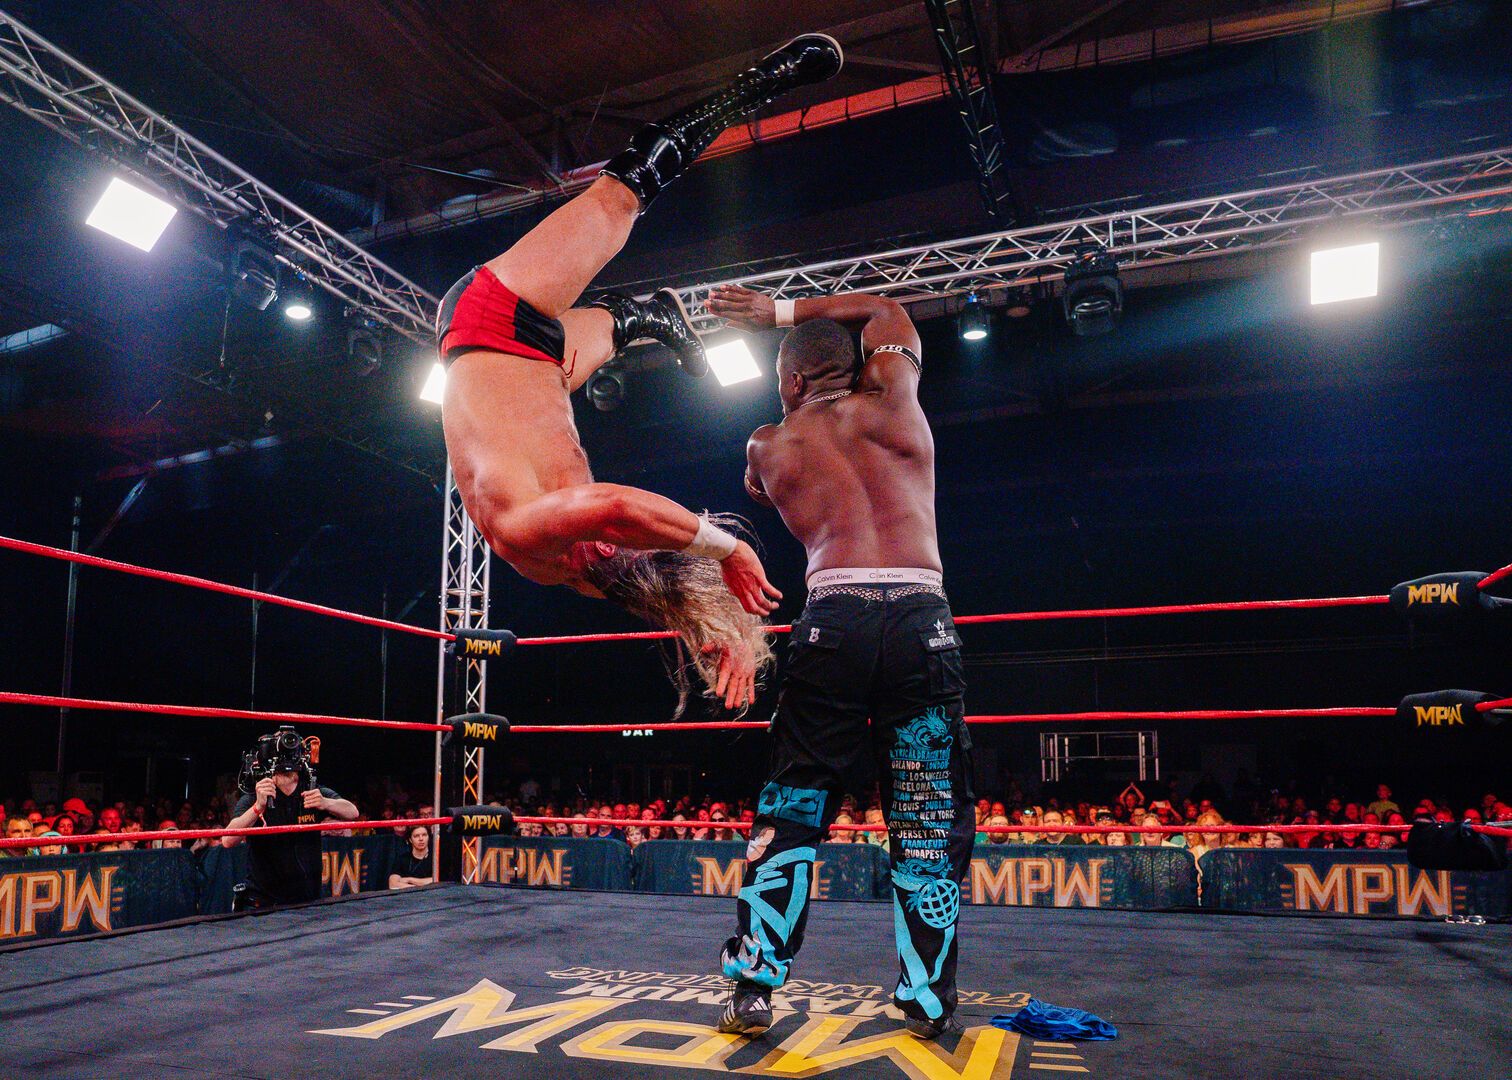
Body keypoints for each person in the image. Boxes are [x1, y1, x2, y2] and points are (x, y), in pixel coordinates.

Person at [435, 36, 848, 713]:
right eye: (616, 551)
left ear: (583, 567)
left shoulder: (529, 534)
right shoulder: (610, 569)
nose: (602, 542)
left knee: (620, 201)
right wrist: (714, 633)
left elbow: (619, 509)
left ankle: (761, 80)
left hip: (490, 318)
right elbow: (647, 574)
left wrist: (726, 553)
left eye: (603, 549)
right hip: (545, 367)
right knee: (603, 344)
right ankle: (639, 318)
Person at [708, 283, 971, 1041]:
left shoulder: (768, 443)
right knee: (924, 818)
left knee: (793, 808)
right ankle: (924, 1000)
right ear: (859, 366)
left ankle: (754, 986)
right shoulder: (895, 402)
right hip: (921, 621)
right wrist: (780, 312)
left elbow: (756, 487)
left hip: (833, 625)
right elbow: (887, 306)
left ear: (789, 383)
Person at [222, 761, 359, 908]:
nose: (285, 762)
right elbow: (228, 840)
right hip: (265, 900)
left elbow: (353, 812)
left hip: (307, 899)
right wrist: (257, 808)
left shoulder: (313, 792)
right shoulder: (256, 797)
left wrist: (325, 803)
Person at [388, 825, 434, 890]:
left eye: (424, 835)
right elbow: (393, 884)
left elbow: (437, 881)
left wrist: (410, 880)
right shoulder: (402, 859)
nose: (421, 839)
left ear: (429, 837)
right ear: (410, 840)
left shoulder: (435, 857)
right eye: (416, 836)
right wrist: (420, 888)